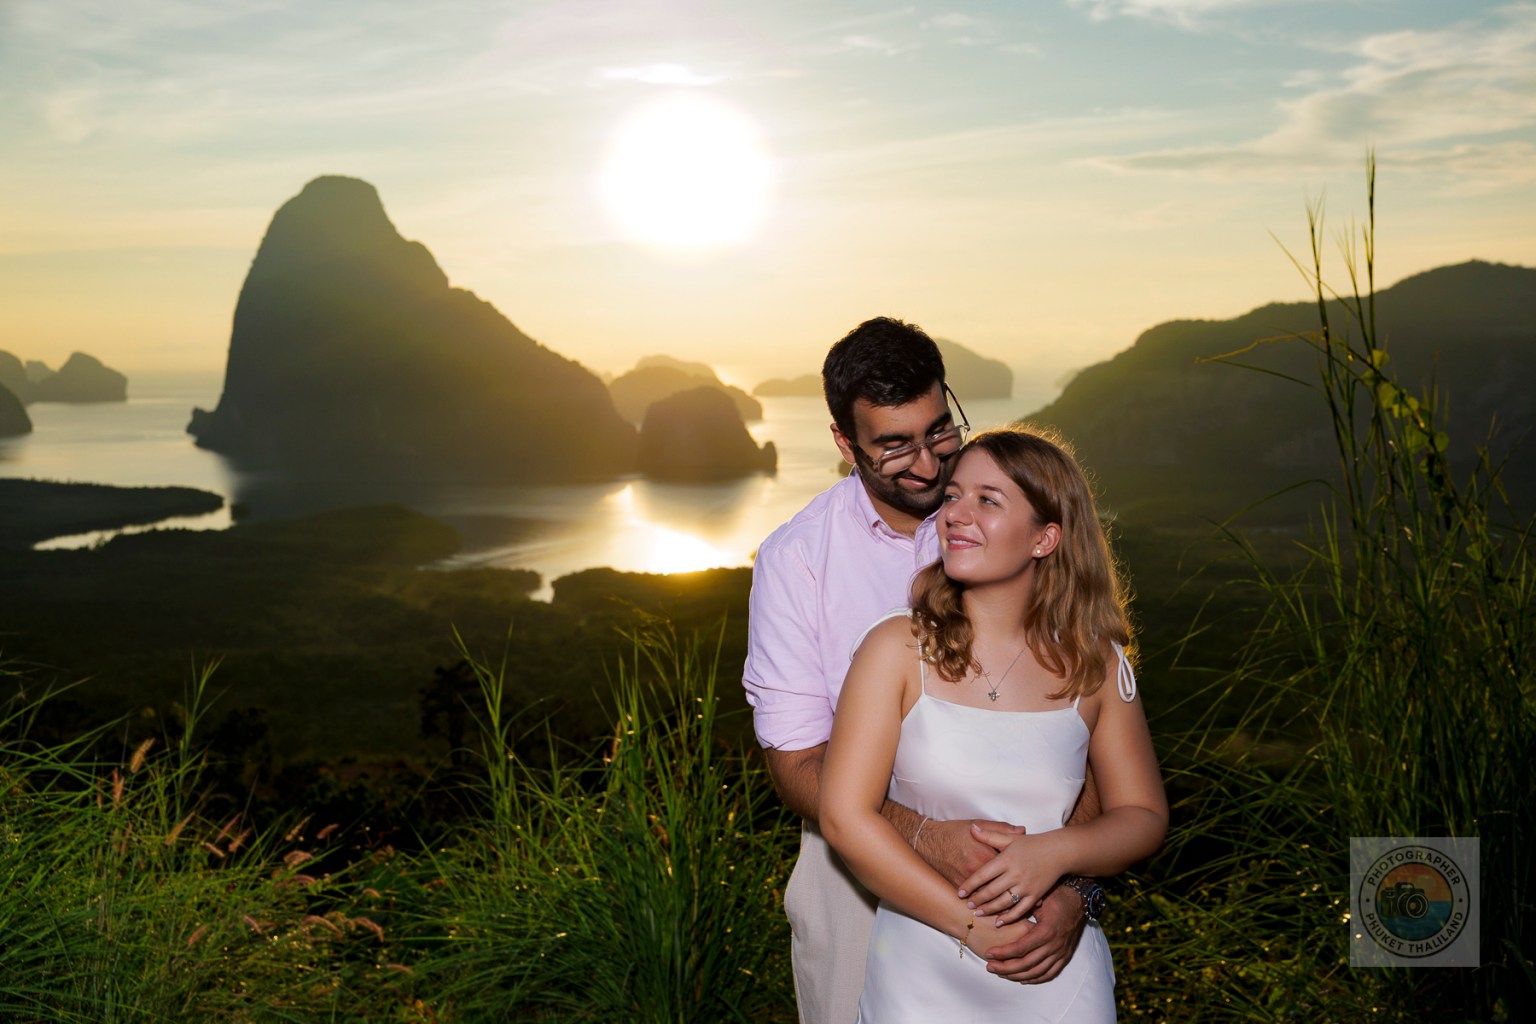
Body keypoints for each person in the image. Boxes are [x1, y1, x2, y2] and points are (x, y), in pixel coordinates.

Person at [742, 320, 1097, 1024]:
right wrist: (927, 834)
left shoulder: (1016, 524)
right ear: (846, 445)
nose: (931, 468)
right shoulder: (796, 561)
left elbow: (1081, 727)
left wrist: (1074, 887)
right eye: (893, 446)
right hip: (853, 885)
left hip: (1027, 866)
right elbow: (796, 762)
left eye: (940, 432)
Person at [820, 428, 1168, 1021]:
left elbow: (1142, 818)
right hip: (922, 977)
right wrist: (972, 926)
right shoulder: (896, 649)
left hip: (1059, 977)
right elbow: (844, 816)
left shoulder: (1097, 664)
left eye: (988, 499)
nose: (955, 513)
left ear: (1045, 538)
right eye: (953, 495)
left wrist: (1057, 856)